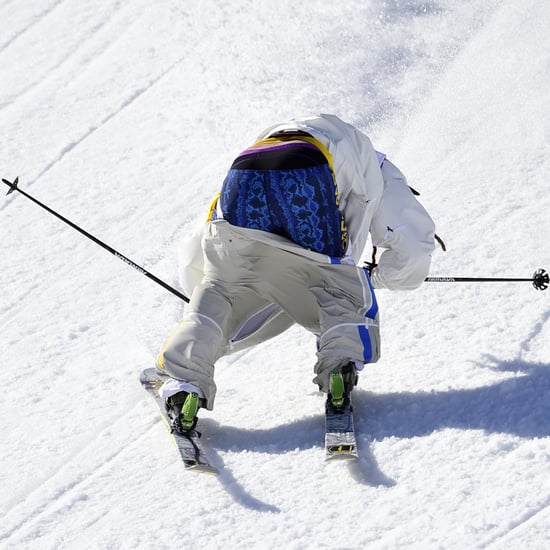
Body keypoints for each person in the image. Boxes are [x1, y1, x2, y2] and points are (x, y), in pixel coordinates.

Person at [156, 114, 436, 433]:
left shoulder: (272, 137)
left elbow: (203, 250)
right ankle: (339, 370)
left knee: (221, 292)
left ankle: (185, 382)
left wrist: (208, 294)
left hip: (243, 176)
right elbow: (414, 248)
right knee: (337, 292)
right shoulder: (380, 167)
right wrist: (374, 279)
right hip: (306, 176)